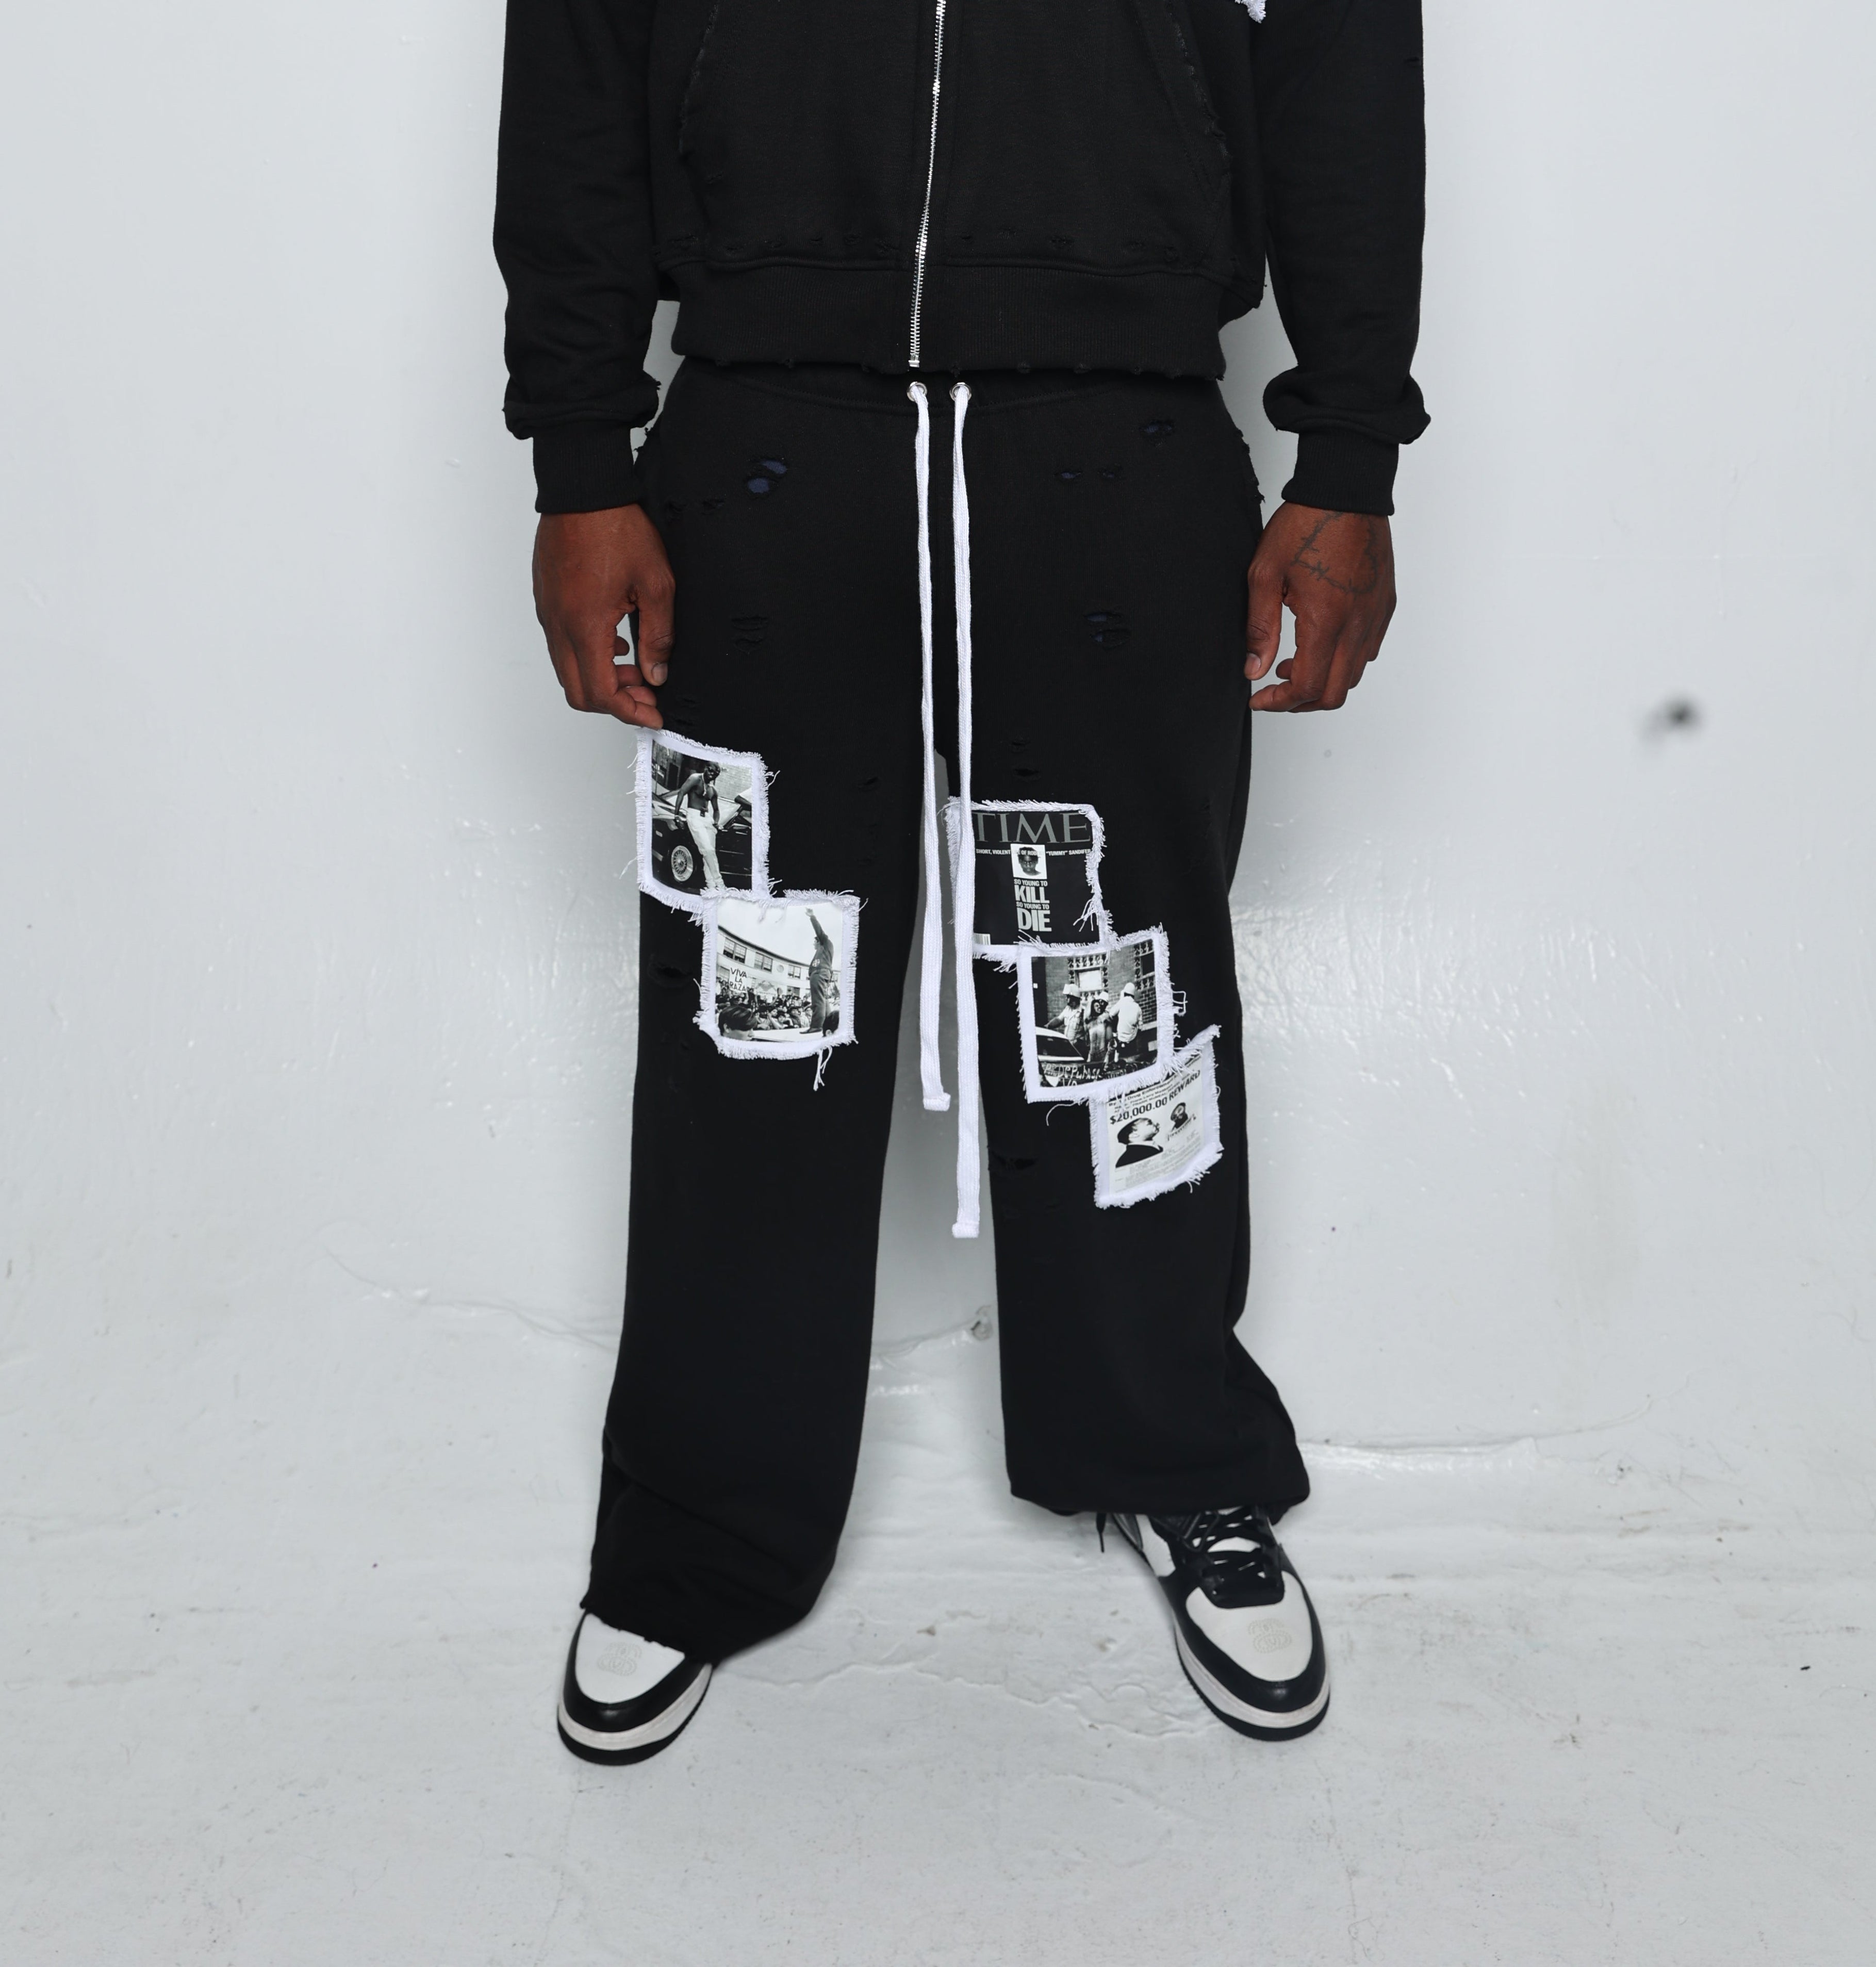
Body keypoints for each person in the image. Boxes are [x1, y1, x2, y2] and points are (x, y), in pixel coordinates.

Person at [497, 0, 1425, 1763]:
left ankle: (1167, 1448)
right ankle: (699, 1519)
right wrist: (579, 449)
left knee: (1118, 989)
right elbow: (579, 45)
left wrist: (1348, 448)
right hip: (764, 424)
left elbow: (1337, 44)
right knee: (751, 997)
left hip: (1119, 426)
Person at [671, 760, 723, 889]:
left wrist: (716, 822)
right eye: (710, 770)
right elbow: (681, 793)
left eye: (716, 774)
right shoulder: (695, 779)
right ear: (706, 768)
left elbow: (717, 810)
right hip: (694, 816)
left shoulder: (713, 790)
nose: (712, 774)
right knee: (707, 850)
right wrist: (676, 815)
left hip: (708, 820)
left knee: (710, 854)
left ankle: (711, 887)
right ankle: (720, 884)